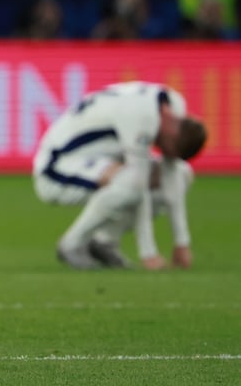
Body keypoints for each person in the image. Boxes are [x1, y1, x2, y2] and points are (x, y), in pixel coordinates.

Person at [32, 82, 207, 270]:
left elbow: (172, 175)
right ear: (172, 134)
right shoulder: (141, 117)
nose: (161, 151)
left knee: (183, 173)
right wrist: (148, 253)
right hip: (58, 165)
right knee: (131, 182)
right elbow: (139, 185)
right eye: (166, 150)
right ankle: (71, 244)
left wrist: (182, 243)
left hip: (100, 161)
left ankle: (104, 242)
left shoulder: (174, 105)